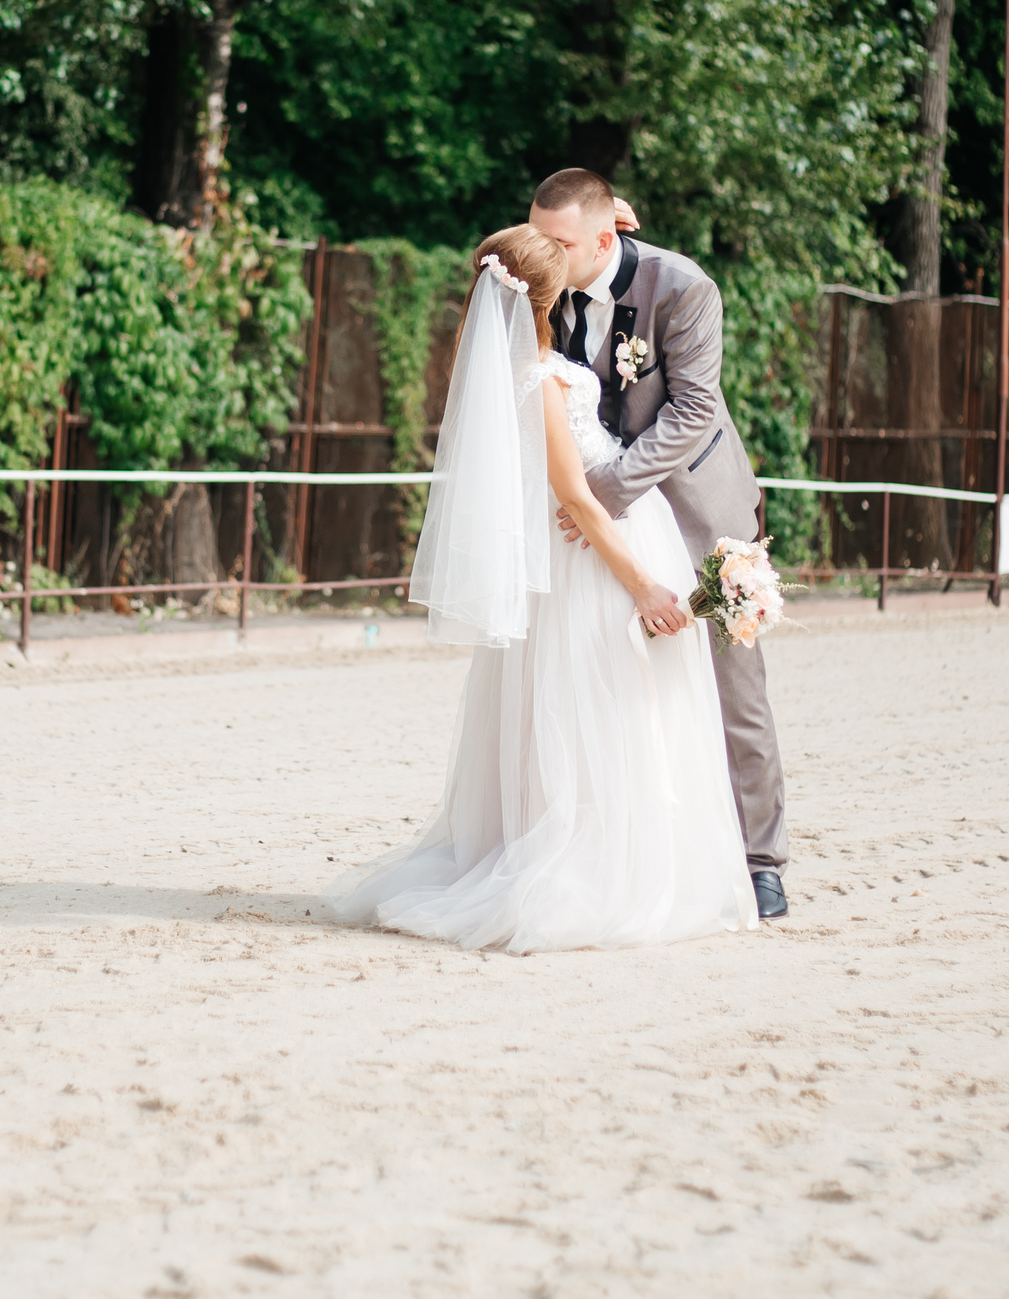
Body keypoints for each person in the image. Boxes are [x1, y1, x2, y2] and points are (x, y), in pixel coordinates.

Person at [324, 224, 758, 953]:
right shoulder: (543, 376)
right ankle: (607, 868)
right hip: (595, 559)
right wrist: (646, 585)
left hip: (593, 548)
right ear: (548, 288)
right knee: (609, 714)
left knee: (606, 712)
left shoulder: (532, 363)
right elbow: (579, 499)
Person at [526, 168, 790, 919]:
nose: (546, 252)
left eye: (561, 242)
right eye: (538, 237)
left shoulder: (682, 287)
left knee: (732, 682)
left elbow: (695, 410)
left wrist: (601, 495)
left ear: (607, 237)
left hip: (695, 507)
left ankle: (760, 859)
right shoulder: (548, 286)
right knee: (618, 679)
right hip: (604, 532)